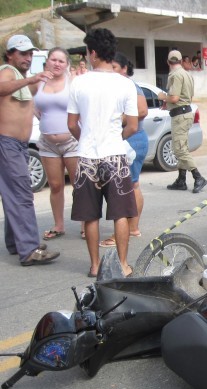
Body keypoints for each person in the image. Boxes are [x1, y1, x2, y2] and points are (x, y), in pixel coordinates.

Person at [67, 28, 138, 278]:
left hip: (86, 157)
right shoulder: (125, 84)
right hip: (115, 157)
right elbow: (133, 125)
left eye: (87, 52)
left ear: (93, 53)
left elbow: (71, 124)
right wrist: (115, 139)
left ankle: (95, 266)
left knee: (90, 216)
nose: (86, 57)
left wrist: (86, 139)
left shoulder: (79, 82)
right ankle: (122, 265)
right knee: (120, 214)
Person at [0, 34, 60, 266]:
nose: (27, 57)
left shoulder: (21, 76)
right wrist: (30, 79)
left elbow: (34, 91)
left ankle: (17, 243)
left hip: (17, 145)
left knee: (13, 195)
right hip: (7, 143)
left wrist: (53, 72)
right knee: (22, 195)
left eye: (29, 54)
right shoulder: (6, 70)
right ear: (10, 54)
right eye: (22, 53)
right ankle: (29, 250)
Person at [99, 52, 149, 248]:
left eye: (114, 68)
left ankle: (128, 229)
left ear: (124, 69)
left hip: (132, 139)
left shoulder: (130, 86)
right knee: (133, 185)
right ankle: (133, 227)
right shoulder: (115, 87)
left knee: (129, 186)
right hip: (130, 139)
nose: (110, 72)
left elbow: (142, 111)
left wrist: (118, 121)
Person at [34, 47, 81, 241]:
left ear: (67, 64)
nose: (57, 64)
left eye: (61, 61)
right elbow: (35, 108)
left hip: (71, 142)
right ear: (47, 61)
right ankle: (58, 225)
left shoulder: (73, 82)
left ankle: (86, 225)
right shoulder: (39, 82)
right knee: (55, 185)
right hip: (47, 143)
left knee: (79, 185)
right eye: (53, 60)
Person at [159, 50, 207, 193]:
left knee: (179, 150)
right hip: (186, 113)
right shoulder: (187, 74)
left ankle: (198, 177)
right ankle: (181, 179)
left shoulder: (175, 75)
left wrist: (163, 97)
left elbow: (174, 98)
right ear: (181, 61)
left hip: (180, 116)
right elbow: (186, 97)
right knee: (182, 147)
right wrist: (168, 103)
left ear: (168, 62)